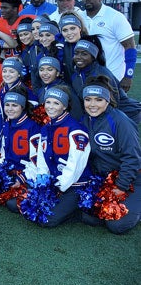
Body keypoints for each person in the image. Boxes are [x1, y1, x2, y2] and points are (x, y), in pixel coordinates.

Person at [80, 77, 140, 234]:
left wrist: (121, 186)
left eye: (99, 99)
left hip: (131, 180)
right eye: (88, 99)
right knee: (89, 217)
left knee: (117, 225)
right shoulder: (85, 120)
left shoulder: (120, 121)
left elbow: (132, 158)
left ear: (108, 100)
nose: (92, 105)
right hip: (106, 179)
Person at [25, 87, 91, 227]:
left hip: (75, 184)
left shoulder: (75, 129)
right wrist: (43, 183)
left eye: (56, 103)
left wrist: (60, 186)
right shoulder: (46, 127)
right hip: (56, 181)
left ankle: (80, 212)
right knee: (32, 210)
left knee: (47, 220)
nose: (51, 106)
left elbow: (76, 165)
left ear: (65, 106)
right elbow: (42, 160)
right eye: (48, 102)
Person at [81, 0, 136, 92]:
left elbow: (130, 46)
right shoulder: (80, 17)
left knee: (114, 107)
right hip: (88, 76)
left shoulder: (115, 17)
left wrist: (128, 76)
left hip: (112, 77)